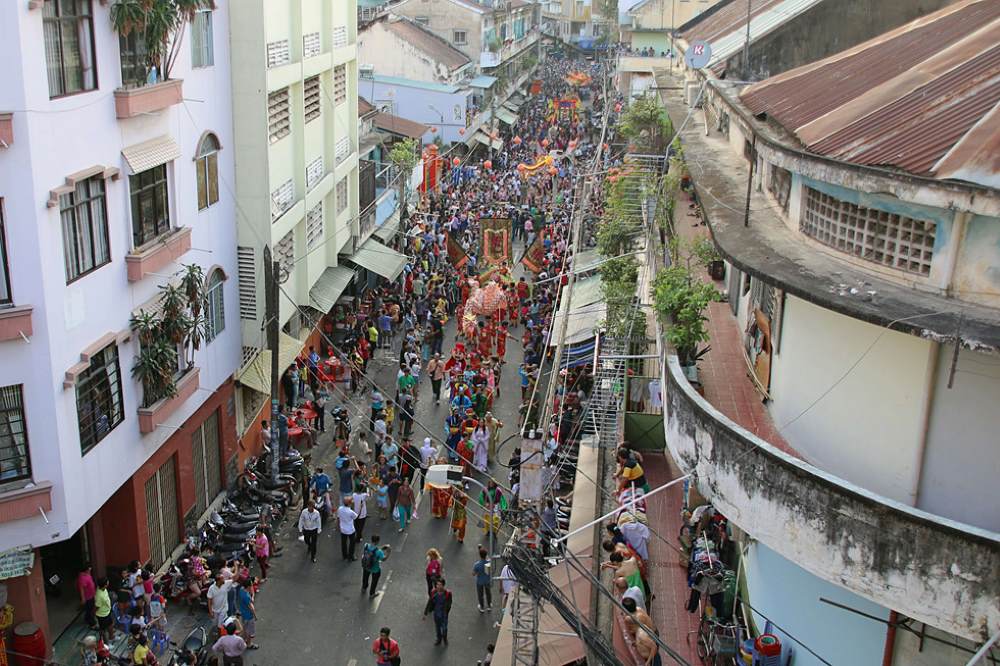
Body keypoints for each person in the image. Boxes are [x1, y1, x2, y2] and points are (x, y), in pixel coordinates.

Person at [423, 579, 453, 646]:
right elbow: (430, 602)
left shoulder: (448, 593)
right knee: (438, 628)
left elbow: (449, 603)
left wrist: (446, 611)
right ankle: (439, 639)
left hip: (444, 615)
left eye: (440, 585)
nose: (438, 586)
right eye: (437, 585)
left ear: (443, 585)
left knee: (444, 628)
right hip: (436, 614)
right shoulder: (434, 592)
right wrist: (425, 613)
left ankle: (445, 638)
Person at [235, 581, 259, 650]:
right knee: (250, 631)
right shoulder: (246, 596)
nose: (252, 586)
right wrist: (255, 616)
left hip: (243, 614)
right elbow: (251, 607)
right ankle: (249, 644)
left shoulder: (241, 590)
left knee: (245, 629)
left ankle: (243, 641)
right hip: (249, 616)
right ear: (248, 586)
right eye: (251, 585)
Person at [337, 496, 359, 561]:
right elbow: (356, 517)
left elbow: (338, 518)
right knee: (352, 543)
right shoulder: (350, 512)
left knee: (343, 543)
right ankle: (351, 556)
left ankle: (344, 555)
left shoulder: (340, 509)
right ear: (349, 503)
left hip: (343, 529)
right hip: (350, 530)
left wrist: (338, 526)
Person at [94, 577, 114, 642]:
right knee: (103, 630)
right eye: (107, 582)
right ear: (105, 585)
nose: (108, 583)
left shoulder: (103, 589)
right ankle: (105, 643)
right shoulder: (99, 595)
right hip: (102, 615)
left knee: (110, 625)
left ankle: (112, 637)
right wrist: (93, 614)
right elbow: (97, 606)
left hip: (107, 612)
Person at [77, 563, 97, 629]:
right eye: (89, 568)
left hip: (91, 595)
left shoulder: (88, 574)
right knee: (90, 610)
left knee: (90, 609)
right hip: (87, 597)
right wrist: (83, 598)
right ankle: (92, 625)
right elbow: (81, 588)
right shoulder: (82, 577)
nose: (90, 569)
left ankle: (87, 619)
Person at [473, 548, 492, 612]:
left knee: (480, 594)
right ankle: (489, 605)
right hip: (487, 580)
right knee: (488, 593)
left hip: (480, 581)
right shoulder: (489, 562)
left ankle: (482, 607)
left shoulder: (477, 564)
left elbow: (473, 573)